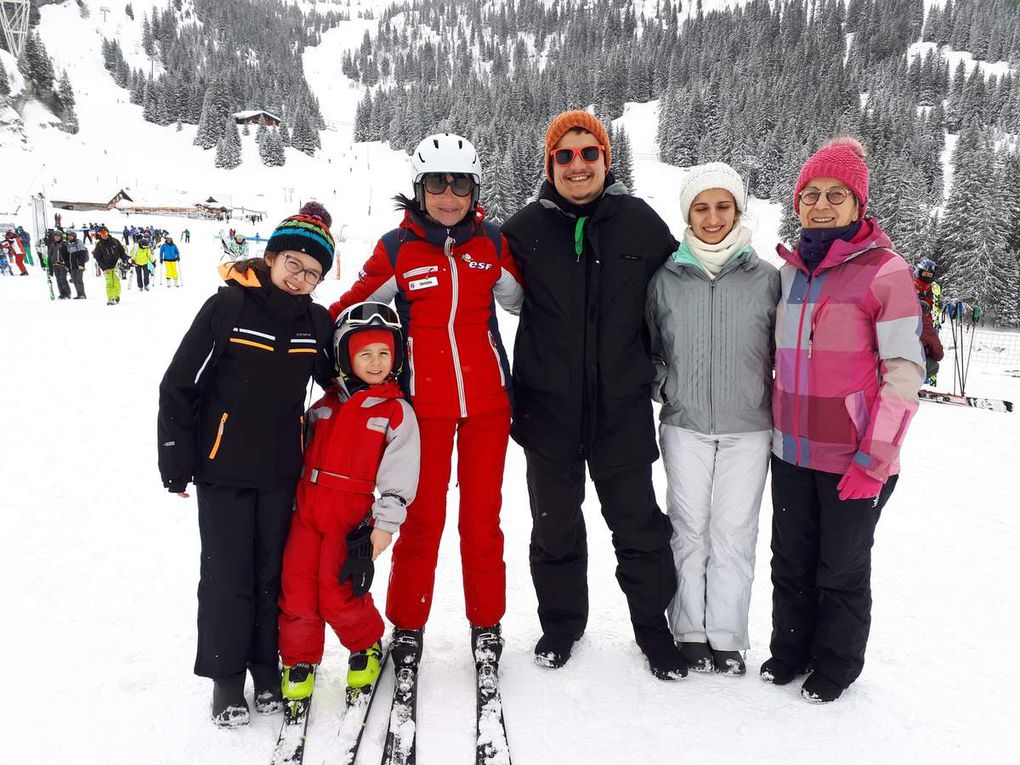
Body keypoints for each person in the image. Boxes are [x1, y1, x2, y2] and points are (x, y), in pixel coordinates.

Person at [329, 133, 523, 676]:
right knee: (422, 521)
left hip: (488, 406)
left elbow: (528, 299)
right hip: (424, 411)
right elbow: (351, 309)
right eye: (437, 183)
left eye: (459, 183)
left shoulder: (492, 243)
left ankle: (487, 625)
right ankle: (407, 626)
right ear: (419, 189)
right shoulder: (397, 247)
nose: (448, 195)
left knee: (482, 522)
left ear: (474, 188)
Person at [501, 111, 684, 679]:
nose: (577, 165)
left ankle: (654, 631)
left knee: (638, 526)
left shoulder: (640, 224)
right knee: (554, 526)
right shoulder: (522, 229)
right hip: (547, 408)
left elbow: (683, 291)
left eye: (588, 153)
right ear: (550, 164)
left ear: (607, 159)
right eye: (565, 155)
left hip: (620, 408)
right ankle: (561, 625)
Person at [157, 203, 336, 727]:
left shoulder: (317, 322)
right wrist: (176, 457)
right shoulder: (228, 308)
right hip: (224, 469)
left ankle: (267, 668)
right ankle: (226, 680)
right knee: (227, 576)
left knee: (273, 575)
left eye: (313, 273)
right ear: (272, 257)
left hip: (283, 471)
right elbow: (179, 384)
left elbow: (336, 379)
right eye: (293, 265)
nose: (301, 278)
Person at [763, 137, 924, 703]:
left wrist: (873, 460)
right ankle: (789, 652)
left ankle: (835, 666)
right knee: (791, 562)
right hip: (791, 453)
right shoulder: (788, 274)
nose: (822, 204)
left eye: (836, 194)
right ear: (797, 202)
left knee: (841, 570)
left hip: (855, 460)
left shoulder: (886, 272)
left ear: (859, 206)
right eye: (810, 194)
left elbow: (904, 375)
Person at [646, 163, 780, 677]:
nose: (712, 217)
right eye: (701, 208)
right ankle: (689, 632)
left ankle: (727, 637)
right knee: (688, 530)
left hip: (749, 426)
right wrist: (665, 385)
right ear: (687, 214)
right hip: (685, 425)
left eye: (723, 206)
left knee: (734, 532)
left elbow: (782, 350)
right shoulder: (667, 278)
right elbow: (651, 346)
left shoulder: (766, 278)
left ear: (739, 210)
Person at [277, 302, 420, 703]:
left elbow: (400, 473)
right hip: (304, 511)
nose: (375, 363)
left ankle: (365, 645)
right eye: (363, 354)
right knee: (297, 589)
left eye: (383, 353)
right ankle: (298, 658)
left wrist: (384, 525)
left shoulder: (395, 412)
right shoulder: (322, 407)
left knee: (338, 589)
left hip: (349, 516)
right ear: (344, 357)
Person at [914, 259, 943, 385]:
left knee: (926, 349)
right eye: (924, 274)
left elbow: (934, 304)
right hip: (918, 321)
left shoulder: (933, 288)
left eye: (929, 275)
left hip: (927, 322)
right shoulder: (912, 283)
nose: (927, 277)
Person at [93, 226, 129, 305]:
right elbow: (98, 257)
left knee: (116, 283)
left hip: (116, 265)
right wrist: (103, 268)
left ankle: (116, 296)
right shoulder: (99, 245)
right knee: (109, 283)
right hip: (107, 267)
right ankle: (110, 298)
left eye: (105, 233)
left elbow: (122, 252)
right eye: (101, 233)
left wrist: (125, 260)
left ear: (108, 232)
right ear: (99, 234)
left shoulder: (115, 241)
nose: (103, 235)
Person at [64, 231, 90, 299]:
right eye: (68, 236)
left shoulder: (78, 242)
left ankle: (82, 294)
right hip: (72, 265)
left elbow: (82, 253)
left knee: (79, 280)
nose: (69, 237)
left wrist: (81, 264)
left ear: (74, 236)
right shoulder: (69, 244)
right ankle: (79, 294)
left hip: (79, 265)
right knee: (74, 280)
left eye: (71, 236)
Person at [48, 231, 72, 299]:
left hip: (62, 265)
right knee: (58, 279)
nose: (56, 237)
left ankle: (67, 293)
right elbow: (50, 255)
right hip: (55, 265)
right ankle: (62, 293)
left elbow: (68, 254)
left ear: (61, 236)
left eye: (58, 236)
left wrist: (67, 264)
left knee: (63, 279)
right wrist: (50, 267)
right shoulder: (53, 245)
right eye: (55, 236)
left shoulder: (65, 244)